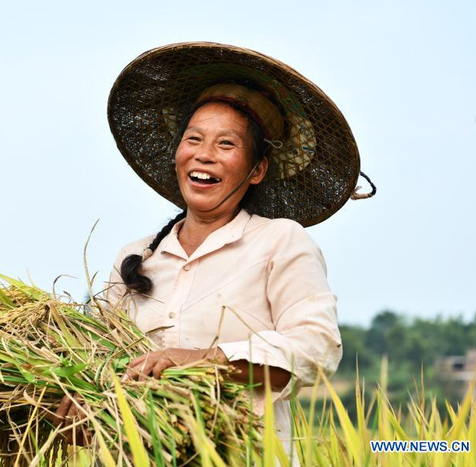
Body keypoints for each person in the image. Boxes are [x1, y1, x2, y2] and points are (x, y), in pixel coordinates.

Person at [56, 42, 373, 461]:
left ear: (256, 169)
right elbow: (98, 361)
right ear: (177, 154)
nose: (204, 154)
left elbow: (316, 347)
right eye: (194, 139)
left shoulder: (279, 242)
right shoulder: (136, 257)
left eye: (227, 145)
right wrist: (79, 404)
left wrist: (202, 359)